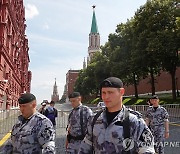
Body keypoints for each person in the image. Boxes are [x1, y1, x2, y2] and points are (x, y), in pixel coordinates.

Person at [78, 77, 155, 154]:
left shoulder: (134, 121)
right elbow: (85, 147)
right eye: (103, 93)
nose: (106, 97)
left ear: (121, 92)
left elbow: (147, 149)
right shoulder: (94, 119)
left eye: (110, 92)